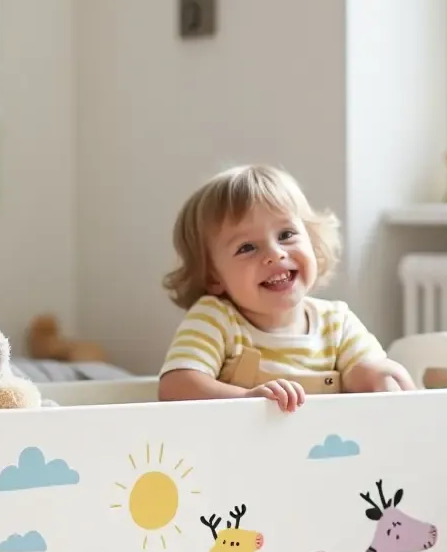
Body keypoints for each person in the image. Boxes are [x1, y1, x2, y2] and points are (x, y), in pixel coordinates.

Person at [157, 163, 416, 412]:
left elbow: (366, 371)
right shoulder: (216, 318)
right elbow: (176, 387)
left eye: (286, 235)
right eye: (247, 247)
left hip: (325, 454)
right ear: (214, 277)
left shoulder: (336, 323)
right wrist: (247, 400)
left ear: (312, 242)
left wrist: (381, 376)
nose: (275, 253)